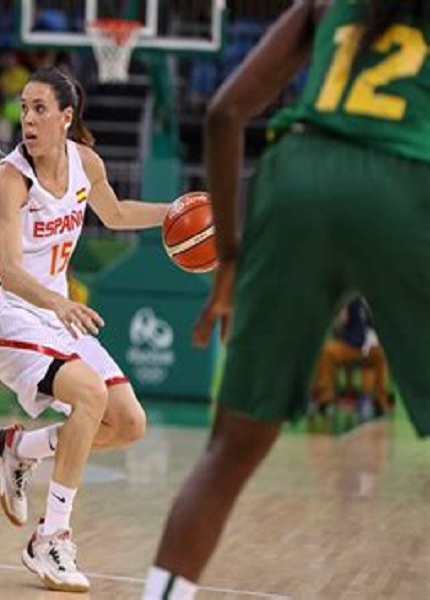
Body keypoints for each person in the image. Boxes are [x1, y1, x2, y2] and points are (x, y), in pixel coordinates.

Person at [145, 2, 430, 598]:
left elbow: (225, 113)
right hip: (404, 182)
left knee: (231, 448)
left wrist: (228, 257)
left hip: (296, 179)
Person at [0, 67, 172, 593]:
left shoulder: (87, 164)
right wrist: (59, 301)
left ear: (66, 117)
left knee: (129, 423)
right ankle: (51, 538)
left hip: (55, 314)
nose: (28, 119)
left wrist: (174, 212)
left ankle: (21, 448)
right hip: (4, 312)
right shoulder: (9, 178)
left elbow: (119, 213)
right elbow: (10, 270)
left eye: (40, 109)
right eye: (23, 108)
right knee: (88, 394)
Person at [312, 297, 390, 417]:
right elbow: (336, 328)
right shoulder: (350, 300)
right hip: (349, 346)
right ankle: (325, 398)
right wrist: (340, 317)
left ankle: (379, 400)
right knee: (327, 351)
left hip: (370, 348)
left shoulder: (377, 301)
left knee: (381, 354)